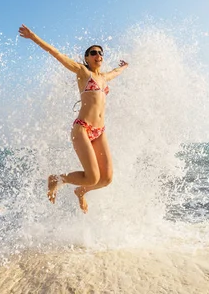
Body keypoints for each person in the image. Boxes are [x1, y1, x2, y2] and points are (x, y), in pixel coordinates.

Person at [19, 24, 129, 213]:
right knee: (93, 177)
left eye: (100, 53)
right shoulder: (82, 72)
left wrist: (123, 67)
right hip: (82, 129)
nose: (98, 56)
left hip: (99, 131)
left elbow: (116, 72)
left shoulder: (103, 77)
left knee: (106, 179)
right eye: (93, 53)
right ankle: (58, 179)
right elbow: (56, 53)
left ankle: (80, 191)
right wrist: (33, 37)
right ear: (86, 58)